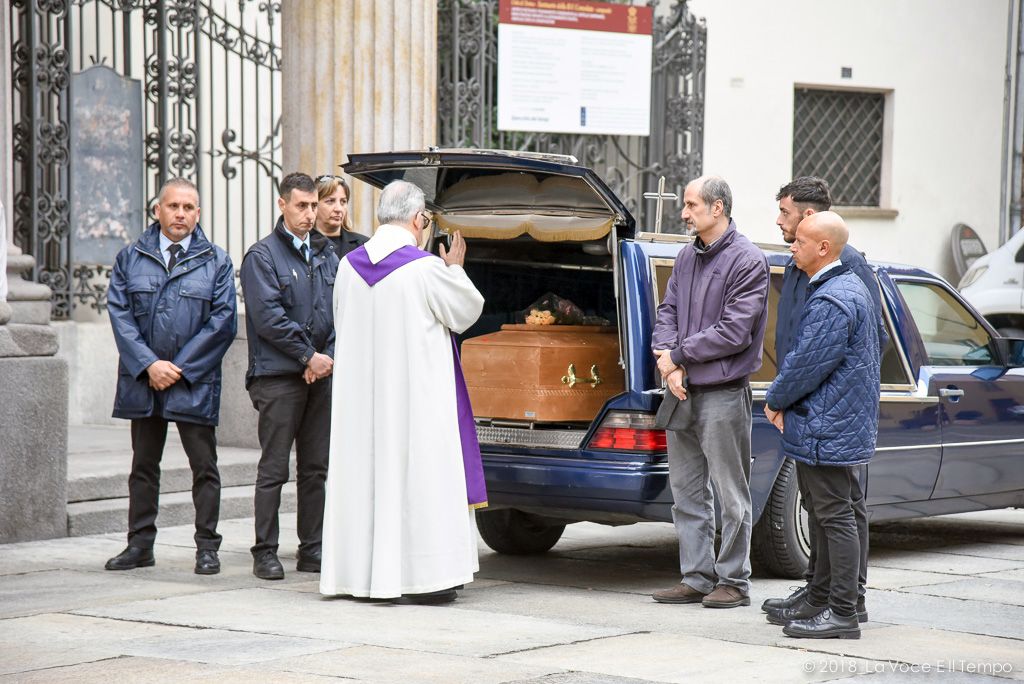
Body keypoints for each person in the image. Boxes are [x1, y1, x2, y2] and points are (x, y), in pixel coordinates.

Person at [320, 179, 486, 605]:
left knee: (365, 481)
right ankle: (426, 579)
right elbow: (466, 312)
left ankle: (360, 577)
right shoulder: (425, 268)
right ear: (418, 220)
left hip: (361, 404)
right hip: (416, 404)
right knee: (421, 483)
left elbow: (340, 322)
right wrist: (456, 268)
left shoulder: (347, 266)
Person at [762, 177, 884, 623]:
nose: (781, 226)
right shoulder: (807, 263)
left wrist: (782, 396)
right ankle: (820, 594)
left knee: (840, 511)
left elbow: (843, 347)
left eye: (785, 213)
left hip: (826, 407)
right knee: (823, 508)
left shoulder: (844, 271)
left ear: (815, 231)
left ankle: (846, 603)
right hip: (809, 402)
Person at [105, 178, 237, 575]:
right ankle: (139, 545)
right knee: (144, 466)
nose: (181, 214)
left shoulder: (216, 260)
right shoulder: (131, 257)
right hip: (143, 381)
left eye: (189, 208)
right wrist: (149, 365)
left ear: (198, 214)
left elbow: (223, 320)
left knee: (204, 468)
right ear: (157, 209)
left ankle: (207, 548)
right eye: (173, 206)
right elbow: (120, 314)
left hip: (191, 381)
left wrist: (178, 368)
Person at [650, 175, 770, 609]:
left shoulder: (748, 260)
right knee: (686, 492)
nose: (684, 213)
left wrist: (679, 356)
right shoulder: (686, 257)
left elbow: (734, 333)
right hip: (681, 391)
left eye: (692, 205)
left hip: (722, 393)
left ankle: (734, 582)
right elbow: (668, 311)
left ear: (717, 208)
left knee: (730, 494)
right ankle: (696, 577)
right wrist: (667, 360)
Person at [240, 172, 340, 580]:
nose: (310, 213)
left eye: (314, 205)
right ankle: (265, 550)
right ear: (282, 205)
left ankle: (311, 548)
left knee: (315, 467)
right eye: (302, 205)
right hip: (279, 376)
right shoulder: (261, 256)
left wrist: (327, 356)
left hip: (321, 375)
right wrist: (307, 356)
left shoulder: (326, 253)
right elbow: (268, 319)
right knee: (275, 468)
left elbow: (339, 311)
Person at [314, 174, 367, 258]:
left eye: (343, 202)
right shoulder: (301, 244)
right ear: (315, 205)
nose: (338, 209)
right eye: (330, 201)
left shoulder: (364, 246)